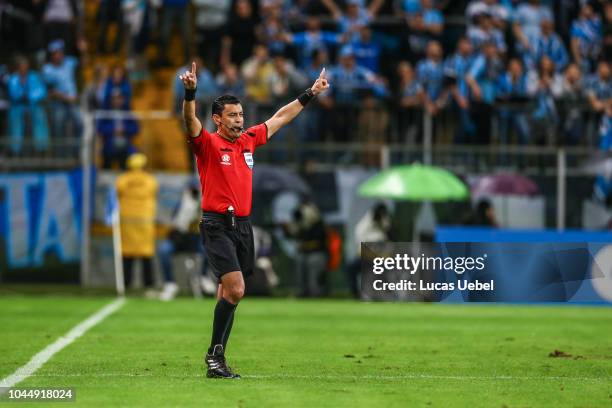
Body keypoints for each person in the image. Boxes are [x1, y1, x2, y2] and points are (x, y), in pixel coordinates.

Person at [179, 61, 329, 378]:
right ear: (217, 119)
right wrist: (190, 91)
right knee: (235, 290)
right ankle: (214, 356)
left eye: (241, 114)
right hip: (216, 224)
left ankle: (217, 359)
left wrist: (310, 93)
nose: (239, 119)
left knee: (228, 292)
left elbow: (280, 117)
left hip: (244, 226)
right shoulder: (206, 143)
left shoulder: (249, 139)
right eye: (232, 115)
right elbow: (189, 119)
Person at [115, 153, 159, 291]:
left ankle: (125, 283)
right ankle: (149, 284)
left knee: (127, 254)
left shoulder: (122, 180)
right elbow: (154, 193)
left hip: (127, 222)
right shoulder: (150, 180)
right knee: (146, 254)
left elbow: (117, 193)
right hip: (145, 222)